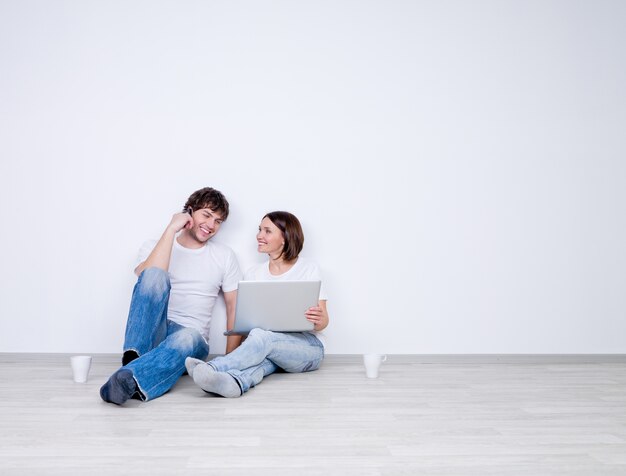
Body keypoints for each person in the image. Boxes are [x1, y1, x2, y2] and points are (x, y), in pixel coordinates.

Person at [99, 187, 242, 405]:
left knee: (188, 336)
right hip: (153, 335)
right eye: (206, 215)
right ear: (189, 212)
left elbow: (234, 307)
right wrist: (171, 229)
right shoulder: (154, 246)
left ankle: (129, 378)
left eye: (218, 221)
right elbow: (146, 280)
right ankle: (134, 363)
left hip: (190, 339)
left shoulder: (224, 256)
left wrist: (231, 359)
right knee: (154, 274)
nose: (211, 225)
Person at [185, 211, 329, 398]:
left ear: (285, 237)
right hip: (271, 350)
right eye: (260, 230)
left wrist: (319, 318)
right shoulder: (254, 274)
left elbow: (323, 322)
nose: (259, 236)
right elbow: (244, 323)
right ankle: (235, 383)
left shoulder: (308, 268)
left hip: (308, 349)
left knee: (263, 337)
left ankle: (213, 367)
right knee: (262, 356)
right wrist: (237, 350)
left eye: (267, 231)